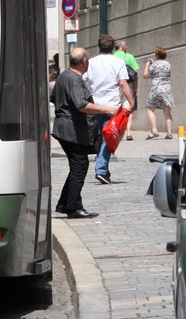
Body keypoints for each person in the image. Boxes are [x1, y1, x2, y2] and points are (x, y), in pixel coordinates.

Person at [51, 47, 117, 219]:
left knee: (77, 166)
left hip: (65, 128)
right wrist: (107, 109)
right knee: (79, 166)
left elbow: (54, 97)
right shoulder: (74, 79)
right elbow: (82, 105)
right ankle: (73, 207)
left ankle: (65, 204)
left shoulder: (64, 76)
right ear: (85, 61)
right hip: (71, 130)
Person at [85, 34, 134, 185]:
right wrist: (131, 101)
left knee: (102, 137)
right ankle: (100, 169)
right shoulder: (118, 62)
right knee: (109, 137)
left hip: (94, 106)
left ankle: (104, 171)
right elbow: (122, 83)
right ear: (113, 48)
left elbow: (82, 80)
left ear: (98, 47)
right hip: (112, 106)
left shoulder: (91, 63)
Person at [143, 45, 175, 139]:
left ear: (156, 55)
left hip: (156, 89)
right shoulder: (168, 64)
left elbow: (145, 75)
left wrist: (147, 66)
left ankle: (154, 131)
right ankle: (169, 133)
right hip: (166, 89)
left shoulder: (154, 65)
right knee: (167, 111)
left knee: (150, 108)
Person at [114, 39, 140, 140]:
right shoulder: (129, 56)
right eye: (126, 46)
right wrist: (136, 87)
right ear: (123, 46)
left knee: (115, 109)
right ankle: (128, 133)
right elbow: (135, 73)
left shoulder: (111, 57)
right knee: (128, 109)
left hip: (115, 86)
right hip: (128, 85)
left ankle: (115, 130)